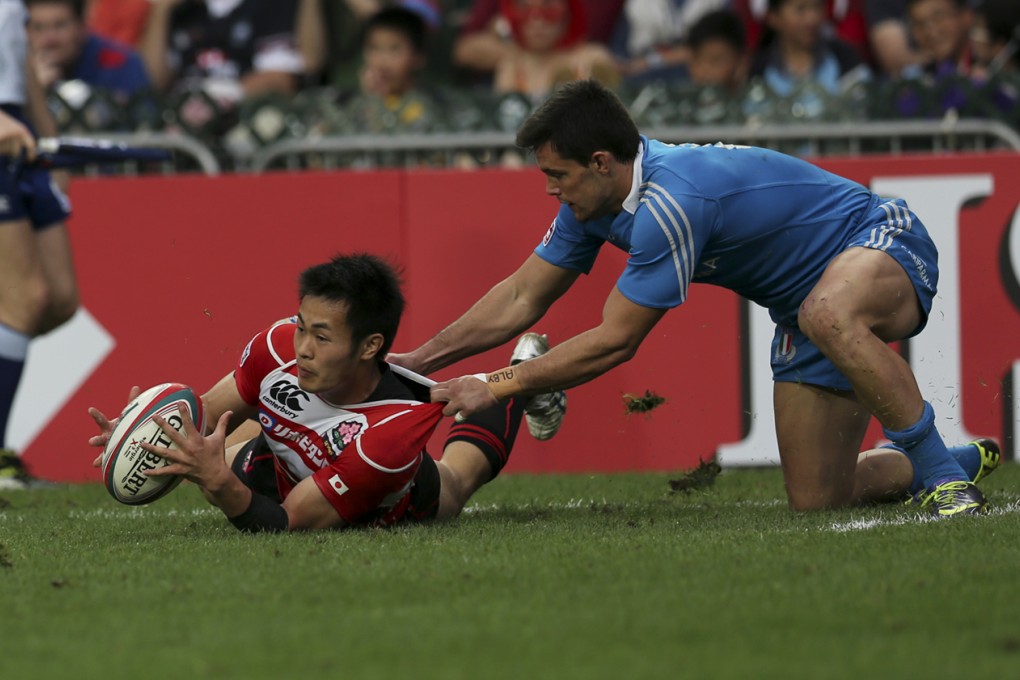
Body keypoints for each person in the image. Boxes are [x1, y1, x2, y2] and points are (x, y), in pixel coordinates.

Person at [391, 78, 996, 517]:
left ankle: (945, 482)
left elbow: (616, 340)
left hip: (878, 238)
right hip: (807, 311)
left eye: (557, 175)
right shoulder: (594, 202)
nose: (551, 190)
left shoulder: (672, 202)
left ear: (601, 162)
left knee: (826, 313)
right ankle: (948, 459)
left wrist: (495, 386)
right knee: (819, 500)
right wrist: (417, 363)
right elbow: (522, 296)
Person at [86, 253, 567, 532]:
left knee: (457, 483)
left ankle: (523, 374)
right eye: (301, 327)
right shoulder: (277, 347)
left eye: (321, 337)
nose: (302, 349)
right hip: (272, 462)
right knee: (223, 451)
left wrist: (217, 483)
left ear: (370, 346)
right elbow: (207, 414)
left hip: (365, 497)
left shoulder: (391, 437)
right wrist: (142, 435)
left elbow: (289, 525)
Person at [0, 0, 79, 489]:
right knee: (26, 299)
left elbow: (16, 52)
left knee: (59, 299)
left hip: (18, 136)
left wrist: (47, 137)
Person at [492, 0, 619, 101]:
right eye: (524, 8)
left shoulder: (593, 59)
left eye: (548, 7)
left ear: (569, 10)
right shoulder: (511, 65)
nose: (537, 20)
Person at [26, 0, 152, 100]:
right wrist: (34, 92)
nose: (49, 40)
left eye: (60, 26)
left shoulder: (120, 65)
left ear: (82, 26)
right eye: (38, 28)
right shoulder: (18, 68)